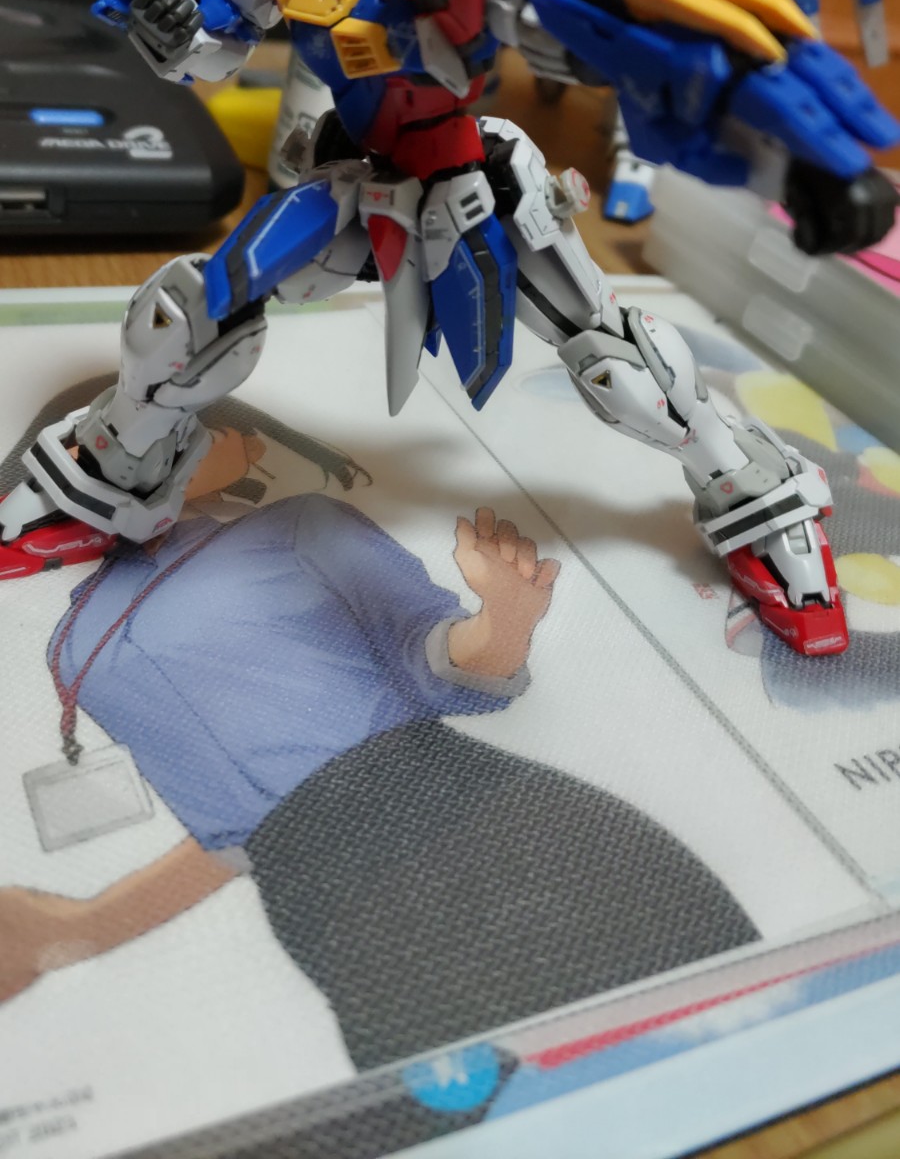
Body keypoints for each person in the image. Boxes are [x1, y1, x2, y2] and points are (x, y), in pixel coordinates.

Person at [0, 386, 758, 1099]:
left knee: (715, 1033)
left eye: (212, 425)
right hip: (333, 902)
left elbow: (433, 663)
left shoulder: (296, 525)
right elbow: (227, 836)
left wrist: (505, 618)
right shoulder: (73, 644)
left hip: (487, 822)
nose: (219, 439)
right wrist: (84, 928)